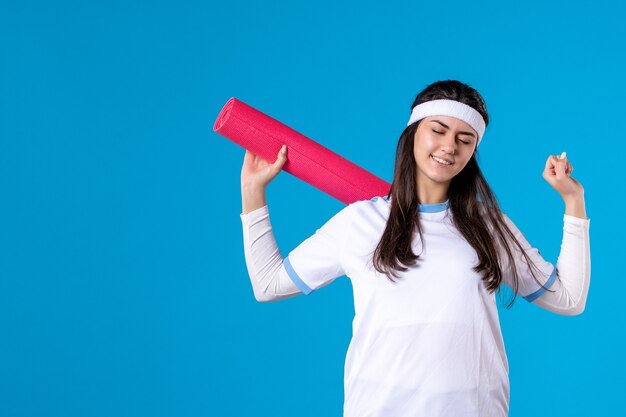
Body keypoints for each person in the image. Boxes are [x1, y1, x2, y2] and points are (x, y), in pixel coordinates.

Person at [238, 80, 591, 417]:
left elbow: (568, 298)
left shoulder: (487, 225)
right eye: (438, 130)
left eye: (464, 139)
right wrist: (253, 195)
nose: (449, 146)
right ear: (412, 134)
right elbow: (268, 284)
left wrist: (574, 201)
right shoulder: (359, 222)